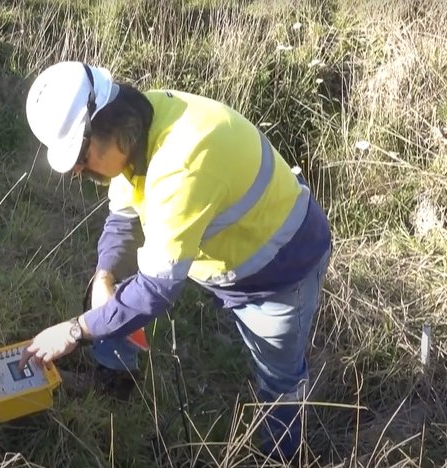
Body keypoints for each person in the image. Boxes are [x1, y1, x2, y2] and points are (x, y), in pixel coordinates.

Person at [19, 61, 332, 462]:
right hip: (227, 260)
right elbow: (122, 219)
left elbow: (155, 290)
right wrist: (105, 273)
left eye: (79, 156)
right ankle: (116, 379)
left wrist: (75, 330)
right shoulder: (140, 125)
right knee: (114, 294)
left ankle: (283, 456)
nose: (78, 170)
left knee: (280, 379)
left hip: (281, 271)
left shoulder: (180, 162)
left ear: (108, 127)